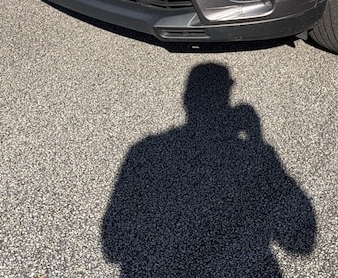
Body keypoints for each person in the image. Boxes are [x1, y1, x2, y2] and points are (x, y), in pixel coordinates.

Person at [101, 63, 317, 277]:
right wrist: (256, 141)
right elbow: (300, 243)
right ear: (227, 95)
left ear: (187, 98)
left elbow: (112, 247)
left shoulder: (144, 151)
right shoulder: (253, 155)